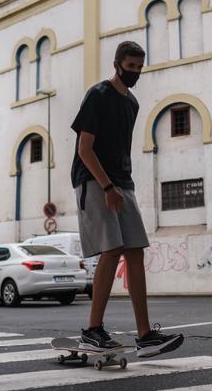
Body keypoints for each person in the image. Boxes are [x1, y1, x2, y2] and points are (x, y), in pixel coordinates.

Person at [70, 40, 184, 358]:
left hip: (122, 182)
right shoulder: (98, 95)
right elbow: (84, 149)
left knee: (135, 251)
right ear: (117, 65)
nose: (135, 72)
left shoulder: (132, 103)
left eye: (139, 67)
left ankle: (145, 336)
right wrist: (107, 187)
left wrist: (121, 186)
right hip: (94, 180)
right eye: (130, 66)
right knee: (113, 248)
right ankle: (92, 331)